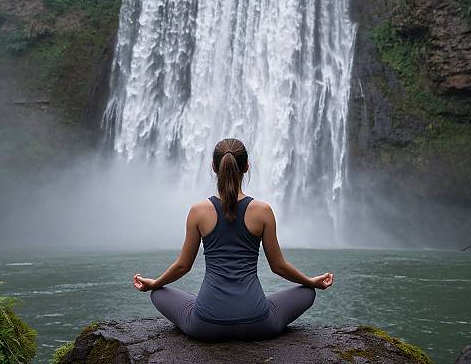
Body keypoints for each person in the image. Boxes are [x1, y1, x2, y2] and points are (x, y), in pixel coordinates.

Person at [133, 138, 334, 341]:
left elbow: (183, 266)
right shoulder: (263, 211)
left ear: (214, 167)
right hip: (258, 324)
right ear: (246, 167)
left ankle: (203, 304)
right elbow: (278, 267)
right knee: (308, 292)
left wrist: (154, 283)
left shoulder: (198, 211)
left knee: (158, 293)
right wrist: (310, 281)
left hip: (205, 325)